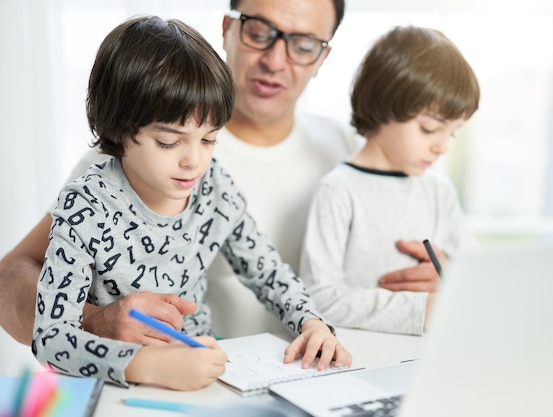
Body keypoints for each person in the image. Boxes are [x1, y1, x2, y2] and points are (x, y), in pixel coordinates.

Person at [0, 0, 440, 347]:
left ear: (324, 56)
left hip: (300, 375)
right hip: (185, 377)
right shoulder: (125, 159)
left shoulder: (358, 155)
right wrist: (95, 320)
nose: (275, 59)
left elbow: (434, 264)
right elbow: (10, 278)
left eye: (304, 44)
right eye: (259, 32)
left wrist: (446, 284)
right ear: (228, 28)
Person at [31, 15, 350, 390]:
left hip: (203, 379)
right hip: (116, 388)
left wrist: (312, 323)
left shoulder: (213, 188)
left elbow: (268, 271)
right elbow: (50, 337)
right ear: (117, 127)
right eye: (169, 142)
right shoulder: (84, 205)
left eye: (209, 139)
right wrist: (143, 365)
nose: (193, 161)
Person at [299, 26, 481, 335]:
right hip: (356, 361)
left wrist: (453, 280)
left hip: (428, 359)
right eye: (428, 128)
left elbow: (479, 275)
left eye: (452, 132)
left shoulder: (439, 190)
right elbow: (320, 299)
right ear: (384, 107)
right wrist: (421, 310)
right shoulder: (339, 190)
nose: (443, 146)